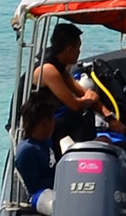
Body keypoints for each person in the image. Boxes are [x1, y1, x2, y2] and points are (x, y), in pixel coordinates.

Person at [14, 24, 100, 197]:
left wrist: (108, 115)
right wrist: (88, 101)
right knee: (82, 116)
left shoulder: (59, 64)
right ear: (69, 49)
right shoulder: (49, 70)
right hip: (30, 121)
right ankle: (82, 163)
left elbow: (79, 92)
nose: (80, 52)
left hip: (46, 114)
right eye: (78, 48)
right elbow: (75, 104)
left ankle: (81, 158)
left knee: (83, 112)